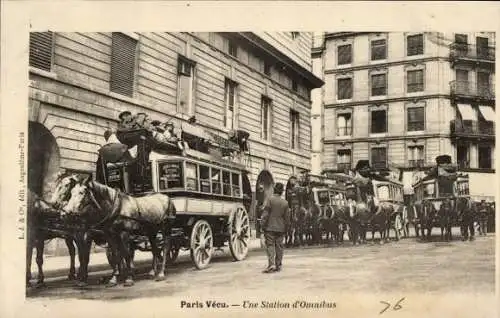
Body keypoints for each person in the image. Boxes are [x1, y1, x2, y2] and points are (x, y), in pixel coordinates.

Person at [260, 182, 290, 273]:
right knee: (279, 246)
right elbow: (287, 218)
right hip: (281, 228)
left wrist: (262, 225)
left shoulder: (270, 200)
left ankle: (271, 264)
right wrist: (286, 229)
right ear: (282, 192)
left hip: (270, 228)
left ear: (274, 190)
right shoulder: (285, 203)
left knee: (270, 246)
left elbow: (265, 215)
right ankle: (278, 265)